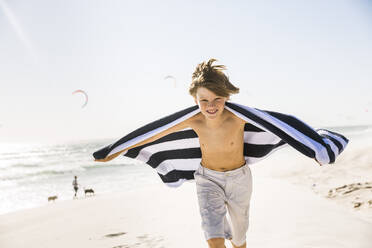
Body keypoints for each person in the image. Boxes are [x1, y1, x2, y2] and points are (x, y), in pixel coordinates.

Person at [94, 59, 348, 248]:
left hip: (239, 180)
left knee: (239, 238)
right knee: (213, 238)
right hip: (207, 179)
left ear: (226, 97)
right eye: (204, 101)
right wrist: (118, 149)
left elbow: (280, 124)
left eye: (217, 99)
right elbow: (155, 131)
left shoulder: (237, 117)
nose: (211, 106)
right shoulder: (193, 120)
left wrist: (315, 147)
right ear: (194, 100)